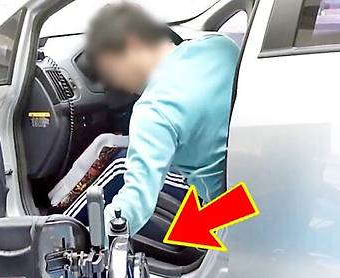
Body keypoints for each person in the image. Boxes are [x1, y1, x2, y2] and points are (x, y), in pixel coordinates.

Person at [71, 2, 240, 236]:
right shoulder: (221, 46)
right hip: (264, 182)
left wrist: (92, 240)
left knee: (119, 167)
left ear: (132, 44)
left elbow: (136, 203)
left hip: (235, 211)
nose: (116, 83)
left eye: (111, 69)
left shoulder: (153, 109)